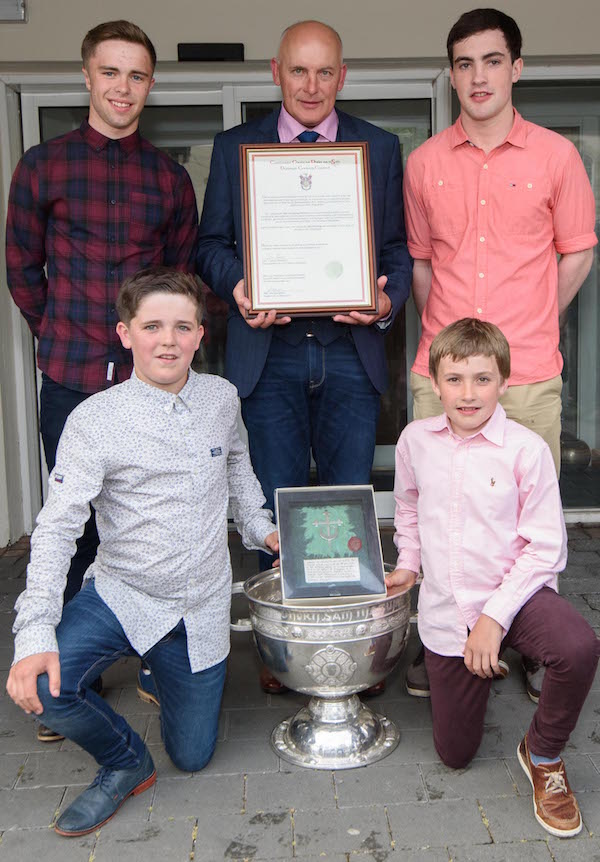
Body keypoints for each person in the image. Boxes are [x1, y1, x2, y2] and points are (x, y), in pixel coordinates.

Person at [6, 268, 278, 838]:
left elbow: (237, 468)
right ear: (125, 333)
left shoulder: (221, 397)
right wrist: (33, 633)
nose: (168, 340)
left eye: (182, 327)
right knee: (48, 691)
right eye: (152, 326)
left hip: (198, 606)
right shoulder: (94, 420)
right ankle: (125, 761)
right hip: (121, 593)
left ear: (201, 335)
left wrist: (261, 528)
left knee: (195, 755)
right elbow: (57, 530)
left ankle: (163, 668)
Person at [197, 20, 412, 691]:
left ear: (342, 76)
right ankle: (283, 648)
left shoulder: (378, 147)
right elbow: (210, 244)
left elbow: (398, 252)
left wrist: (383, 302)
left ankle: (356, 647)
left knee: (348, 504)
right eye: (299, 71)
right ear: (276, 72)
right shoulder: (237, 149)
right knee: (276, 502)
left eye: (325, 72)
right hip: (272, 351)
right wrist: (237, 286)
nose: (312, 86)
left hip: (349, 348)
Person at [5, 19, 198, 735]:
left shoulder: (169, 178)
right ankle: (63, 676)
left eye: (137, 75)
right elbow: (22, 266)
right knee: (75, 529)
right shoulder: (43, 166)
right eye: (110, 73)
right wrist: (58, 330)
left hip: (150, 386)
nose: (123, 88)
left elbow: (180, 280)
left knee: (152, 521)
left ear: (150, 84)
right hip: (73, 375)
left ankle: (152, 653)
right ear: (87, 77)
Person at [402, 8, 597, 699]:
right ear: (450, 74)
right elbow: (423, 267)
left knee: (528, 521)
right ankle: (440, 643)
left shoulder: (557, 157)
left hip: (531, 371)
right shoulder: (424, 163)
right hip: (442, 368)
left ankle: (532, 645)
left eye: (492, 60)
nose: (478, 76)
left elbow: (578, 251)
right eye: (464, 63)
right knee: (436, 515)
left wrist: (535, 318)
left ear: (517, 68)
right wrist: (448, 344)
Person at [388, 318, 599, 838]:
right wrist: (409, 563)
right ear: (434, 383)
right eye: (454, 379)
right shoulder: (415, 440)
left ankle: (544, 754)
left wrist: (493, 619)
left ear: (505, 381)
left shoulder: (526, 449)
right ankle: (481, 665)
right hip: (446, 609)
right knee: (455, 755)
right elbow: (408, 508)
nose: (468, 393)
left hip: (516, 595)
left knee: (577, 646)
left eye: (483, 379)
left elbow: (546, 548)